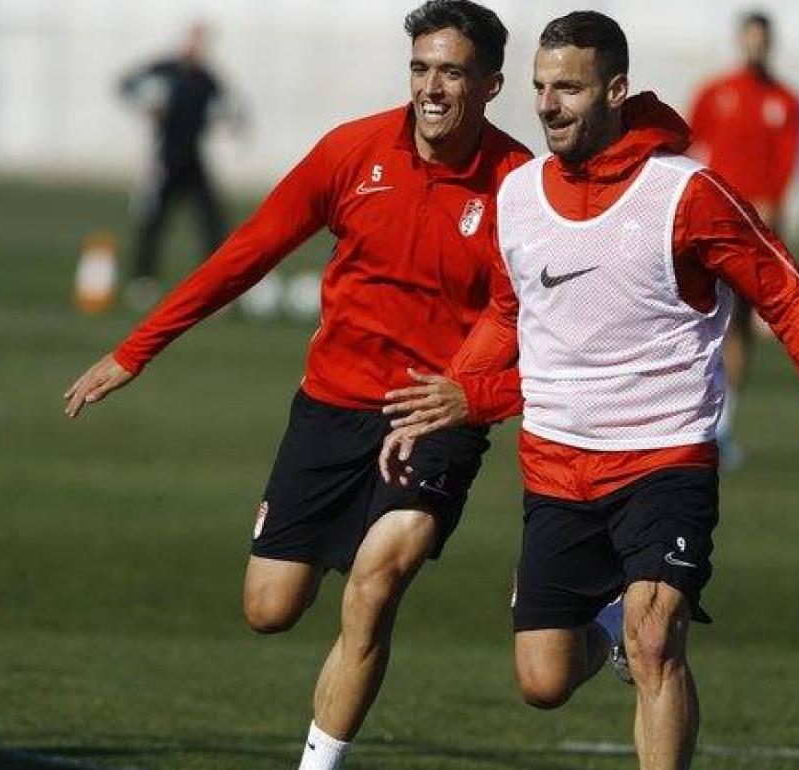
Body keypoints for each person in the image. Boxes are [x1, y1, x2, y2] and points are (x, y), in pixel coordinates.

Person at [379, 11, 799, 770]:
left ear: (616, 90)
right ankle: (609, 627)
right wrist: (451, 394)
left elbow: (785, 295)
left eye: (570, 89)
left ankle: (638, 630)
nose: (548, 105)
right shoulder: (519, 196)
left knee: (657, 641)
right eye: (540, 88)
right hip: (555, 468)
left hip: (665, 461)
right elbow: (506, 312)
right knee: (543, 678)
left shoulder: (684, 193)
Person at [64, 3, 530, 769]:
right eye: (421, 69)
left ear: (490, 84)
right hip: (330, 408)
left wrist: (466, 395)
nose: (432, 87)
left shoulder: (517, 186)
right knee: (269, 608)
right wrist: (135, 350)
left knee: (379, 577)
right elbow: (244, 254)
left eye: (452, 72)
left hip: (434, 414)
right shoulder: (351, 152)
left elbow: (520, 317)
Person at [687, 10, 799, 468]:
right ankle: (683, 420)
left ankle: (723, 426)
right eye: (749, 39)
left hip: (751, 232)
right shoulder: (715, 93)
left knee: (738, 327)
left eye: (762, 40)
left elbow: (785, 167)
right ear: (741, 41)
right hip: (706, 226)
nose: (755, 47)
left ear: (770, 44)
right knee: (695, 320)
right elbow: (683, 145)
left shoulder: (786, 102)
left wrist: (771, 207)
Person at [118, 22, 240, 311]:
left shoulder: (207, 78)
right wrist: (144, 105)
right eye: (194, 39)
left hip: (194, 160)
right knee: (154, 222)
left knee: (212, 223)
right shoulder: (164, 69)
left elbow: (230, 108)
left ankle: (216, 290)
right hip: (166, 160)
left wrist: (228, 121)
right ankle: (142, 282)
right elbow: (126, 85)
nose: (197, 45)